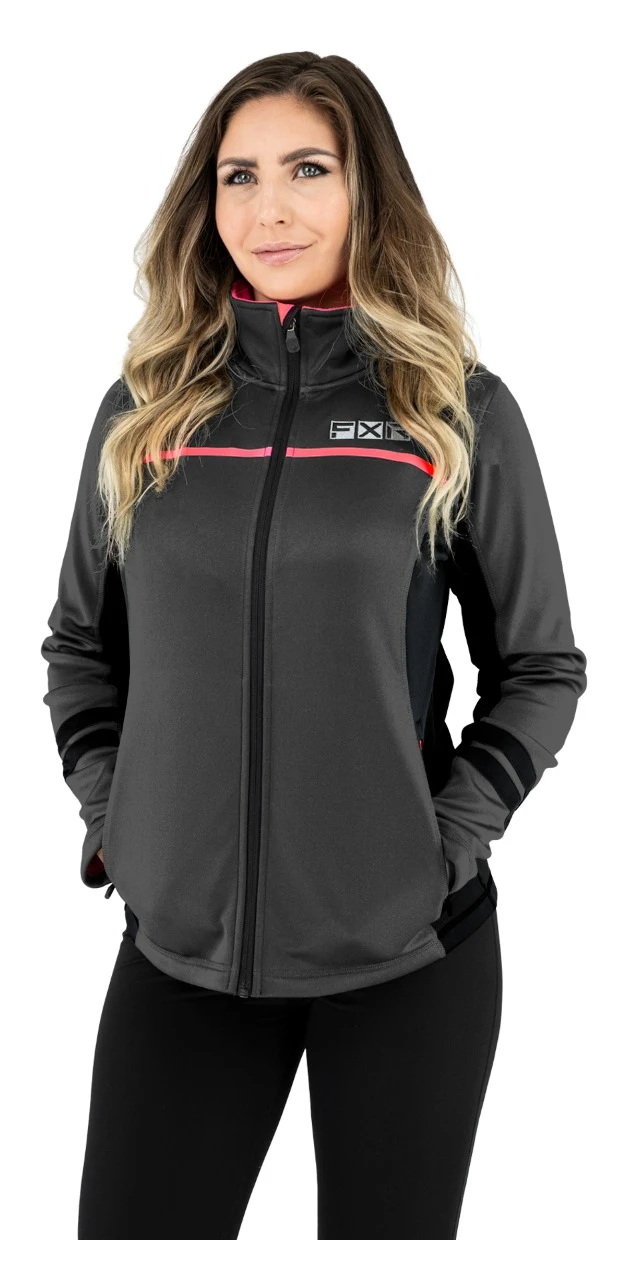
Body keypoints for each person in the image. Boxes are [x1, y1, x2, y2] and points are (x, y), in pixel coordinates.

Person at [40, 53, 587, 1241]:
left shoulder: (452, 412)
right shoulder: (146, 413)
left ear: (364, 190)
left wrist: (441, 847)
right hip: (180, 956)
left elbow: (541, 664)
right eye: (238, 176)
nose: (269, 208)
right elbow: (80, 642)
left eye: (307, 170)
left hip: (405, 957)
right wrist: (117, 815)